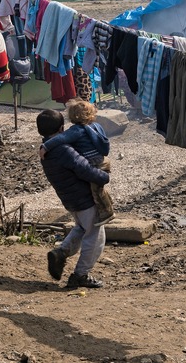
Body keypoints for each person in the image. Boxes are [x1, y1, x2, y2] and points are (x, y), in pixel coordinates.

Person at [38, 109, 110, 289]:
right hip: (84, 198)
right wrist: (103, 176)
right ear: (62, 129)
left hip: (70, 199)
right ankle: (80, 275)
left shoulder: (45, 149)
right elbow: (83, 168)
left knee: (82, 228)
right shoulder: (63, 150)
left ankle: (61, 253)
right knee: (96, 237)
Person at [39, 100, 114, 226]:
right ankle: (108, 206)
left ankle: (107, 212)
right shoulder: (96, 127)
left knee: (96, 190)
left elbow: (82, 167)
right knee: (98, 189)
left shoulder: (75, 132)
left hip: (91, 168)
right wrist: (103, 176)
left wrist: (45, 146)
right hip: (101, 160)